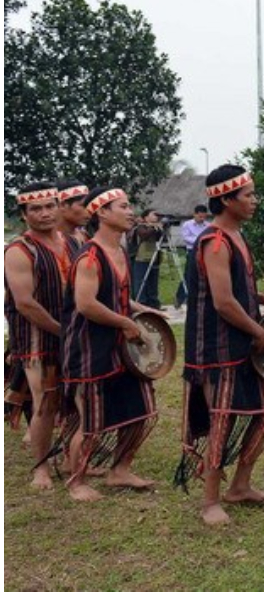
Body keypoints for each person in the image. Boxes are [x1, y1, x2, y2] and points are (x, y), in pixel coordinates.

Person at [174, 165, 264, 525]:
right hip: (215, 345)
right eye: (248, 195)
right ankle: (210, 501)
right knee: (221, 419)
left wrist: (262, 296)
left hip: (240, 342)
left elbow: (234, 289)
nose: (255, 201)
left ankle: (239, 486)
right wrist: (259, 332)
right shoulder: (214, 241)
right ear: (226, 200)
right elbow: (223, 302)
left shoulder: (236, 236)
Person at [58, 186, 162, 501]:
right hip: (89, 348)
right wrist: (126, 322)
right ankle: (76, 482)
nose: (131, 212)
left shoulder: (119, 251)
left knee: (142, 409)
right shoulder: (90, 256)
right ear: (102, 212)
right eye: (124, 206)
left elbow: (117, 296)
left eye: (130, 206)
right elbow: (86, 304)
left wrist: (141, 309)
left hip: (120, 347)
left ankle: (120, 470)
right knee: (91, 420)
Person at [4, 182, 69, 489]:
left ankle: (72, 456)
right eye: (35, 209)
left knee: (75, 398)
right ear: (24, 214)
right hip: (36, 340)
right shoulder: (19, 250)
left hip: (70, 334)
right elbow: (25, 303)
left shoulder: (71, 242)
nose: (44, 214)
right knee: (45, 402)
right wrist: (62, 330)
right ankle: (40, 468)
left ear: (59, 206)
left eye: (49, 206)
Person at [174, 204, 209, 309]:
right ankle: (180, 298)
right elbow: (186, 238)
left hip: (204, 251)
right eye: (200, 216)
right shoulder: (187, 224)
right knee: (188, 274)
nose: (202, 219)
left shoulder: (207, 225)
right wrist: (199, 240)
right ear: (195, 214)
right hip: (192, 251)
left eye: (204, 217)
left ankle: (199, 298)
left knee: (204, 275)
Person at [129, 209, 163, 308]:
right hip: (141, 258)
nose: (156, 217)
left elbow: (161, 238)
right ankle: (141, 302)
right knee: (140, 281)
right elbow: (144, 235)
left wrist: (162, 228)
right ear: (146, 217)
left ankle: (153, 302)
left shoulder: (157, 227)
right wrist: (154, 227)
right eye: (153, 215)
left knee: (153, 282)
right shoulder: (139, 227)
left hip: (154, 257)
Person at [55, 178, 90, 255]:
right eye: (83, 205)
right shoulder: (46, 241)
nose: (89, 210)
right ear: (63, 205)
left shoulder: (86, 237)